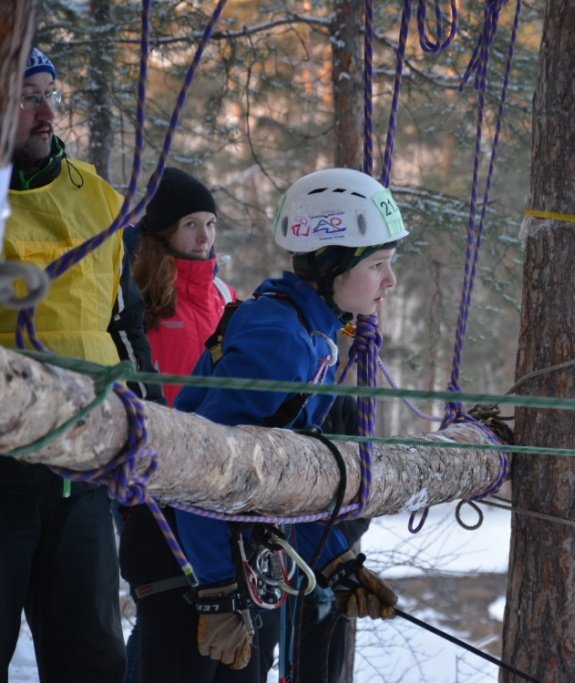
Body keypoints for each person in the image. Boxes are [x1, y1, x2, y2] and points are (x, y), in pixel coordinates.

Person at [120, 167, 404, 682]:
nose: (390, 280)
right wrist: (215, 592)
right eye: (380, 264)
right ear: (333, 264)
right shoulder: (281, 341)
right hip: (186, 556)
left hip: (224, 555)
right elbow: (209, 473)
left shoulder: (310, 333)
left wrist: (335, 559)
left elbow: (283, 473)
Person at [0, 47, 164, 683]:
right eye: (25, 97)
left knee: (93, 658)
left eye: (51, 94)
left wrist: (148, 427)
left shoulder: (99, 197)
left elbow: (127, 324)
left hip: (84, 476)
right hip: (3, 476)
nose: (46, 113)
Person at [131, 167, 237, 406]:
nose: (204, 237)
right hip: (159, 434)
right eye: (191, 224)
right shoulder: (138, 293)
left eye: (210, 224)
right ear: (165, 232)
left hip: (223, 436)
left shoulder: (225, 295)